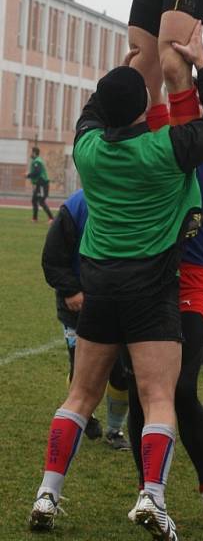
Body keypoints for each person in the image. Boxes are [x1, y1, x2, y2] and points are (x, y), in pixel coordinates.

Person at [29, 26, 203, 541]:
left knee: (80, 395)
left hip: (98, 284)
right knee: (160, 396)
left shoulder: (88, 154)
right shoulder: (167, 150)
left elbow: (92, 115)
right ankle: (154, 497)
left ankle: (47, 493)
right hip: (152, 288)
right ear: (143, 110)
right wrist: (200, 66)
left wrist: (122, 72)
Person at [126, 0, 203, 531]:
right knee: (140, 393)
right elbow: (146, 97)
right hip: (143, 279)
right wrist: (131, 72)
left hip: (191, 282)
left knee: (181, 389)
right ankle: (151, 494)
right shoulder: (160, 143)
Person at [42, 188, 130, 450]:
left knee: (121, 372)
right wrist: (71, 290)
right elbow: (52, 257)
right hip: (79, 304)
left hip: (122, 301)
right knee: (83, 369)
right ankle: (85, 415)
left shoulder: (135, 198)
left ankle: (115, 430)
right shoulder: (77, 205)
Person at [26, 147, 54, 222]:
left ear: (34, 153)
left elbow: (37, 173)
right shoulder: (36, 161)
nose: (30, 154)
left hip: (42, 184)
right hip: (39, 184)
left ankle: (51, 218)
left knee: (41, 201)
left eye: (31, 152)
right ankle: (35, 218)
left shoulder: (37, 161)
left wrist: (28, 175)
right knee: (34, 200)